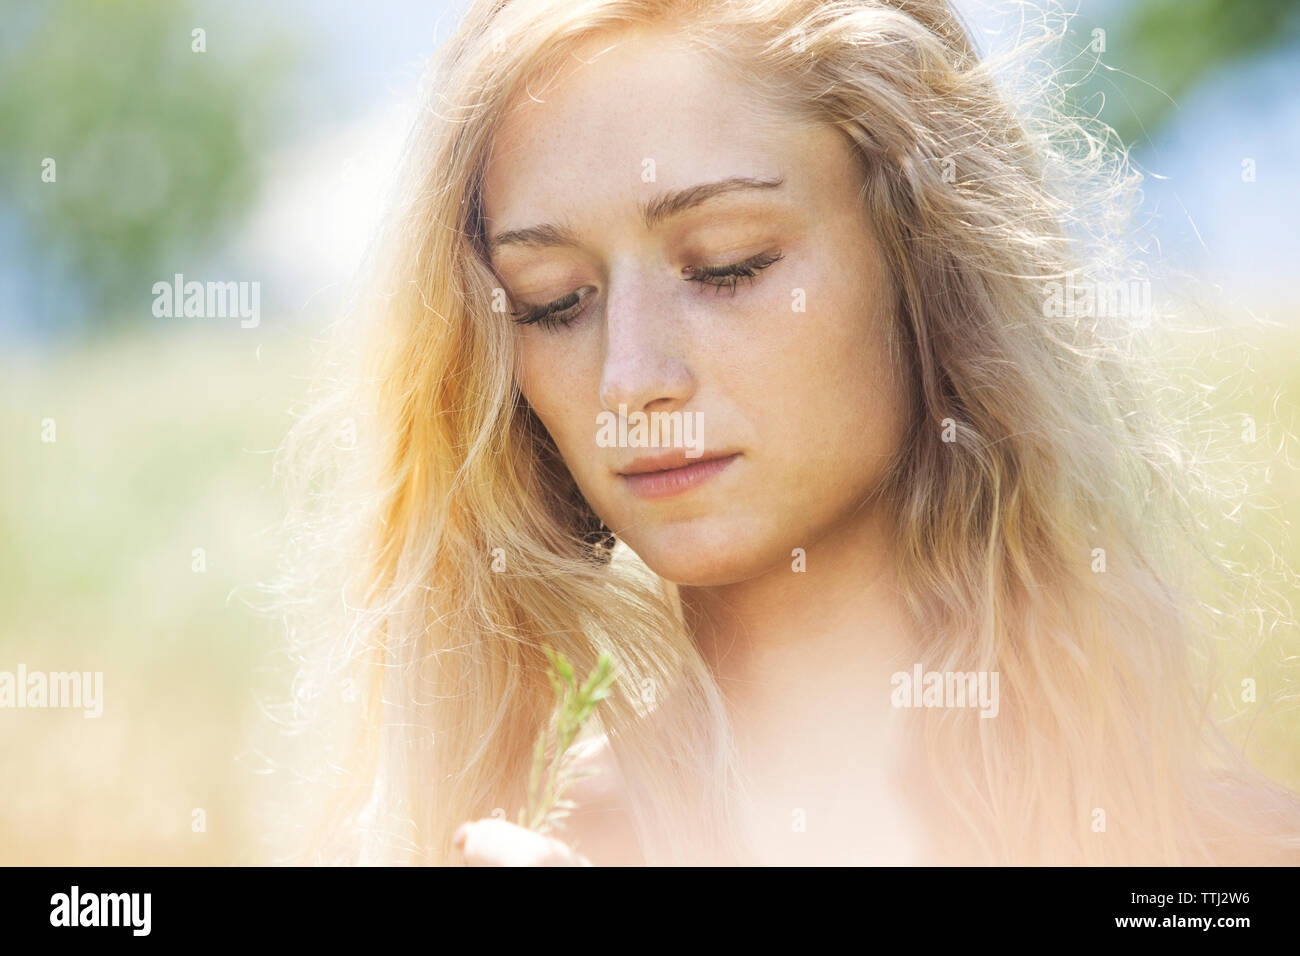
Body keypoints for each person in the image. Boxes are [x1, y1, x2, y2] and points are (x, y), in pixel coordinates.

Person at [273, 0, 1300, 866]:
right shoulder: (496, 843)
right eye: (553, 301)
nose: (632, 377)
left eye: (727, 264)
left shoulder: (1216, 851)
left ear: (924, 264)